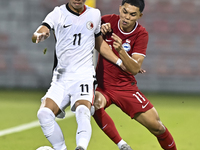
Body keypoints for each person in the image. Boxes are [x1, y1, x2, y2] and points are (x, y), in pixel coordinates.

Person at [32, 0, 122, 150]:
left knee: (82, 110)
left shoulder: (94, 14)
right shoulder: (58, 13)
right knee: (44, 114)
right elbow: (40, 30)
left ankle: (81, 147)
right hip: (61, 78)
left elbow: (99, 43)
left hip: (84, 76)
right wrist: (38, 35)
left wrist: (119, 62)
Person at [93, 0, 177, 150]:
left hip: (125, 88)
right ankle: (122, 145)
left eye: (132, 15)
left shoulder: (141, 34)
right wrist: (98, 29)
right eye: (124, 12)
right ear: (120, 8)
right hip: (103, 86)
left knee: (157, 127)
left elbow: (134, 68)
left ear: (140, 15)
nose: (126, 17)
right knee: (95, 104)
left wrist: (121, 51)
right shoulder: (106, 20)